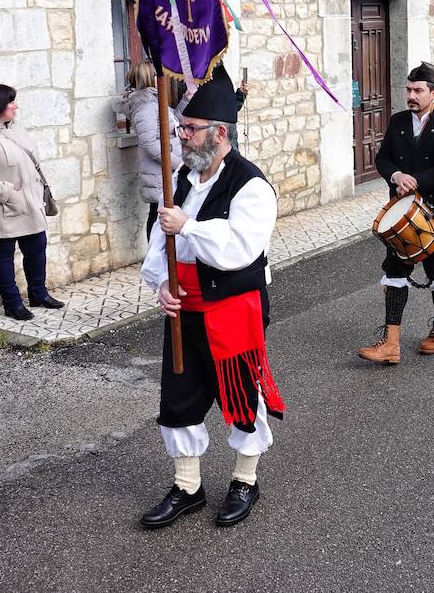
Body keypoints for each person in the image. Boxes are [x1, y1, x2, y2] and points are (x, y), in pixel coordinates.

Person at [140, 64, 283, 530]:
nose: (182, 135)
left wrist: (191, 226)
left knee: (240, 397)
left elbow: (241, 248)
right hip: (185, 308)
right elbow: (162, 239)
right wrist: (161, 282)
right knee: (179, 396)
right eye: (182, 127)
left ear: (219, 133)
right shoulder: (182, 177)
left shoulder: (252, 186)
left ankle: (245, 479)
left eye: (191, 129)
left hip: (233, 309)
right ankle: (188, 487)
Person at [358, 61, 434, 364]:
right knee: (394, 272)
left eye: (418, 90)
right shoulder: (398, 121)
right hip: (402, 212)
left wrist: (418, 180)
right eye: (408, 89)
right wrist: (395, 177)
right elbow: (383, 159)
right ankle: (391, 345)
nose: (411, 95)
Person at [0, 84, 62, 320]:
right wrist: (8, 192)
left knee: (37, 247)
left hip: (29, 204)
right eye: (11, 102)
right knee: (3, 254)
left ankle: (39, 293)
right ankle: (12, 303)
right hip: (0, 208)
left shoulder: (13, 129)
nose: (16, 106)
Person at [119, 63, 182, 240]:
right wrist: (178, 164)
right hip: (160, 173)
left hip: (164, 171)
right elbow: (151, 144)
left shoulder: (153, 101)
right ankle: (155, 263)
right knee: (158, 218)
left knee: (162, 216)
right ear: (149, 78)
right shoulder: (145, 106)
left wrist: (187, 99)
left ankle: (162, 261)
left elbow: (172, 121)